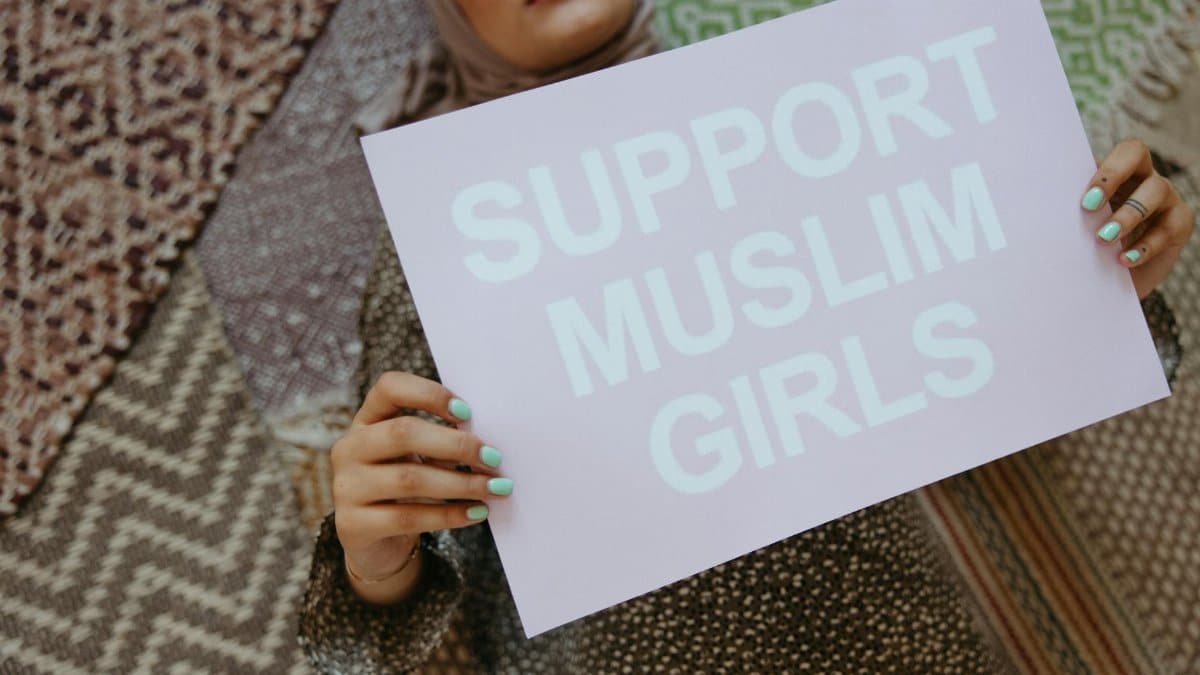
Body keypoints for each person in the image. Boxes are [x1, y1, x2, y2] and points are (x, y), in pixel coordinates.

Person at [300, 0, 1195, 671]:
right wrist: (375, 556)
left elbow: (1002, 375)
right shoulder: (437, 246)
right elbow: (373, 638)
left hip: (906, 645)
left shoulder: (829, 118)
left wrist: (1101, 282)